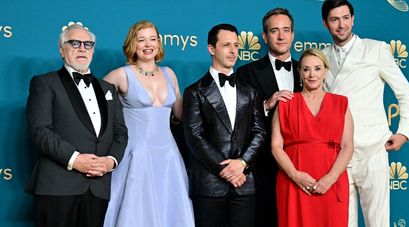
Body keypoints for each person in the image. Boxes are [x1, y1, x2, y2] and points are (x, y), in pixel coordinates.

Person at [321, 0, 409, 227]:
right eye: (335, 19)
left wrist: (403, 131)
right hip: (337, 155)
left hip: (372, 149)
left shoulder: (376, 49)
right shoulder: (320, 56)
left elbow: (404, 92)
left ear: (353, 20)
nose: (341, 24)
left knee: (378, 223)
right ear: (326, 24)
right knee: (342, 222)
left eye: (345, 18)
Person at [26, 23, 128, 227]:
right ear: (62, 50)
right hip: (57, 187)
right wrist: (75, 159)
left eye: (88, 44)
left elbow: (120, 133)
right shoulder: (44, 83)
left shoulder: (108, 88)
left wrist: (110, 161)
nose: (82, 48)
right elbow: (41, 131)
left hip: (98, 188)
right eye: (75, 43)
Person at [103, 20, 194, 227]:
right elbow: (96, 110)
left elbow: (180, 114)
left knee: (168, 209)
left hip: (168, 155)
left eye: (153, 39)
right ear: (132, 44)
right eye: (141, 39)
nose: (148, 44)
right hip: (135, 154)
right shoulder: (120, 75)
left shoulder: (169, 73)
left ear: (159, 43)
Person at [183, 23, 266, 227]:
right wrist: (227, 171)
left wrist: (242, 164)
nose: (233, 50)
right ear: (211, 49)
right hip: (209, 185)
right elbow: (195, 137)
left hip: (244, 183)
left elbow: (259, 132)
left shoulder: (251, 92)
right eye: (226, 45)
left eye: (236, 45)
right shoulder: (194, 92)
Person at [271, 48, 354, 227]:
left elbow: (348, 146)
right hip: (293, 180)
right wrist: (295, 175)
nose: (312, 74)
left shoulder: (341, 103)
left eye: (317, 68)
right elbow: (276, 146)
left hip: (331, 180)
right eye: (306, 69)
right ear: (299, 72)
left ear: (325, 71)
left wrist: (330, 179)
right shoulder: (285, 104)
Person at [236, 7, 302, 227]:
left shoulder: (309, 71)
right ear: (265, 36)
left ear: (293, 34)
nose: (281, 36)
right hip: (263, 165)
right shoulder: (246, 73)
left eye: (286, 30)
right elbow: (236, 119)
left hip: (302, 162)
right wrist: (266, 104)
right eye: (275, 31)